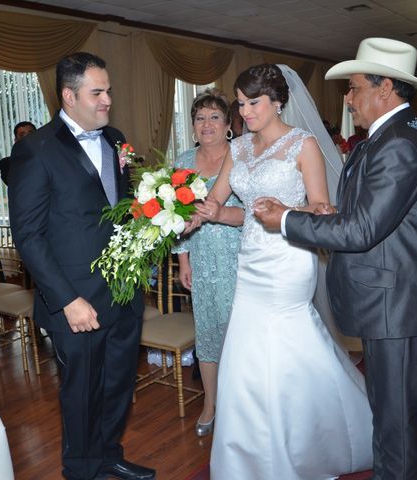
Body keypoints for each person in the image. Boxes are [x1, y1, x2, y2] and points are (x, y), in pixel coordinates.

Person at [254, 38, 417, 479]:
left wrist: (286, 220)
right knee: (387, 419)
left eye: (354, 87)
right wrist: (328, 212)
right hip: (387, 301)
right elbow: (368, 217)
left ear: (384, 89)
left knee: (395, 428)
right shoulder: (382, 139)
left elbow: (363, 231)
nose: (348, 98)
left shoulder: (398, 143)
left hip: (396, 307)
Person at [8, 52, 153, 480]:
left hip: (124, 294)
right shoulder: (35, 150)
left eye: (108, 90)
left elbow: (118, 211)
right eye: (98, 92)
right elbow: (28, 235)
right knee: (82, 392)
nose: (108, 99)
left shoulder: (114, 139)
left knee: (118, 386)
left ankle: (108, 453)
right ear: (69, 96)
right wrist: (67, 299)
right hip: (75, 302)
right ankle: (81, 470)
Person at [172, 88, 242, 437]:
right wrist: (183, 260)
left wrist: (222, 215)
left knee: (241, 336)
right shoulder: (183, 162)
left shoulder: (243, 158)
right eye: (200, 118)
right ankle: (211, 403)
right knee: (208, 335)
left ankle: (242, 404)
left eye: (215, 117)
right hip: (201, 260)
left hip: (240, 258)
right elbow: (173, 218)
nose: (207, 124)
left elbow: (256, 214)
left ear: (229, 123)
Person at [0, 121, 37, 185]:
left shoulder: (48, 157)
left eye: (31, 133)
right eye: (22, 135)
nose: (27, 137)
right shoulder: (6, 163)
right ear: (16, 140)